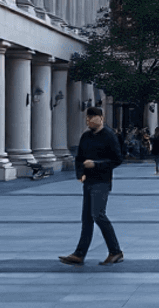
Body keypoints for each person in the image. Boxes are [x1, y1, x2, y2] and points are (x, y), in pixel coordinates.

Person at [60, 106, 125, 266]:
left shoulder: (109, 136)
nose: (88, 120)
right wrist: (80, 173)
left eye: (91, 117)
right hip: (88, 181)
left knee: (98, 214)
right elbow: (79, 157)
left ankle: (115, 251)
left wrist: (96, 165)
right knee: (87, 218)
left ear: (101, 118)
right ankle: (79, 254)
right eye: (87, 118)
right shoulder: (86, 136)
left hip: (102, 181)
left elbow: (117, 159)